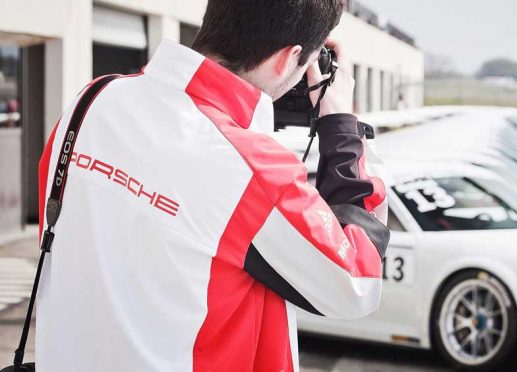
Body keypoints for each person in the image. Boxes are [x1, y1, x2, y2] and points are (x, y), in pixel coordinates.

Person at [35, 1, 388, 371]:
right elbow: (356, 283)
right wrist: (343, 127)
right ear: (288, 59)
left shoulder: (90, 101)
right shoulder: (252, 168)